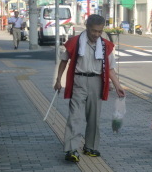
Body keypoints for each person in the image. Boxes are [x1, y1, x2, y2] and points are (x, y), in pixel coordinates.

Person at [54, 14, 125, 162]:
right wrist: (58, 80)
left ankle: (90, 146)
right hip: (78, 81)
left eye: (100, 31)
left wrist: (118, 86)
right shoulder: (74, 42)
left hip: (96, 82)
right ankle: (71, 149)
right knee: (75, 116)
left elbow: (111, 69)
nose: (97, 34)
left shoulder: (106, 45)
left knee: (94, 117)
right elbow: (63, 61)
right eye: (94, 31)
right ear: (87, 28)